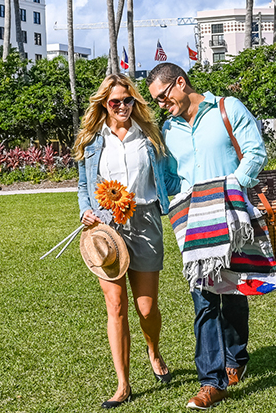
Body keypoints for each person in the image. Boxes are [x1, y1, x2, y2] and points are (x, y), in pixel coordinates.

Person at [147, 62, 267, 410]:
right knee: (203, 299)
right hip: (194, 224)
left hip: (230, 218)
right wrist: (171, 190)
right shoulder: (169, 130)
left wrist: (232, 190)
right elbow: (170, 177)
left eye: (163, 97)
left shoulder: (227, 109)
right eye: (156, 101)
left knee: (233, 293)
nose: (161, 105)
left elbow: (255, 152)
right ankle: (211, 382)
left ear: (181, 84)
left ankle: (237, 357)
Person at [74, 73, 173, 409]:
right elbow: (83, 186)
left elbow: (168, 175)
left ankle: (154, 350)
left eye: (127, 100)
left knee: (146, 308)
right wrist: (87, 210)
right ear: (104, 103)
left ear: (135, 102)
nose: (121, 106)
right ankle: (123, 384)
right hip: (106, 228)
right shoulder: (92, 140)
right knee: (115, 306)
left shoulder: (149, 136)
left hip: (144, 221)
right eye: (114, 101)